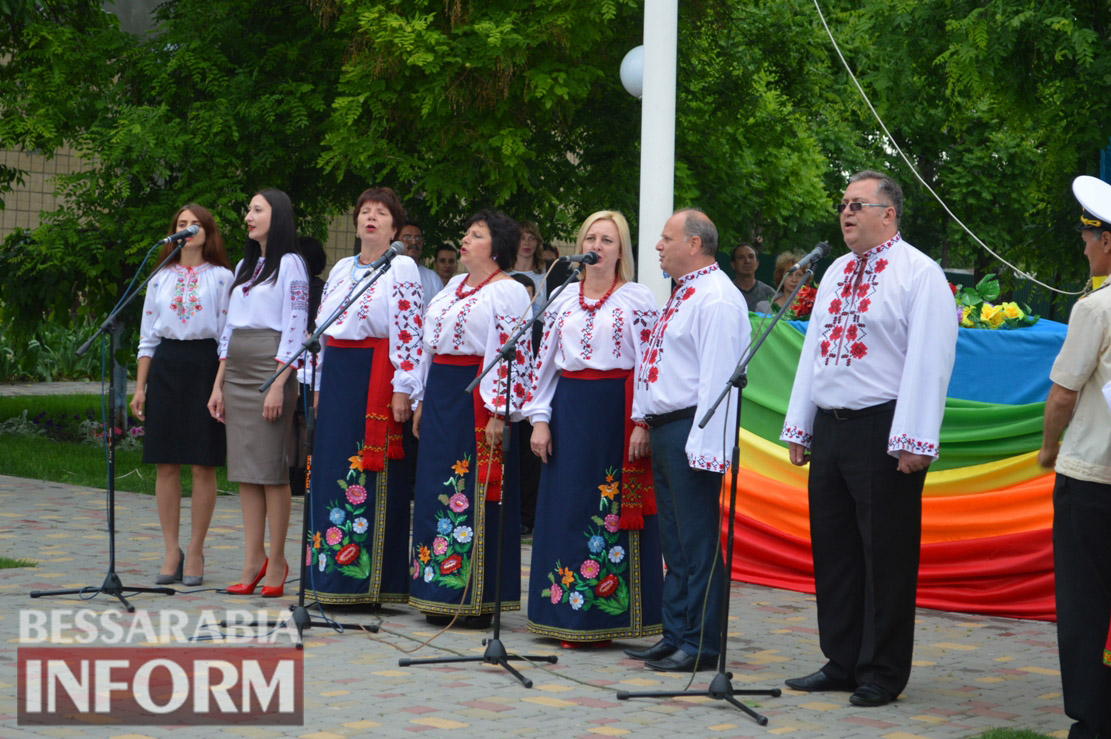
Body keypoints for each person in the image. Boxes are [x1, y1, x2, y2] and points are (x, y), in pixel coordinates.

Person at [780, 171, 957, 707]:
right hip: (831, 428)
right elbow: (813, 350)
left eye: (858, 204)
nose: (846, 213)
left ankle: (882, 671)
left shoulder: (918, 273)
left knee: (886, 553)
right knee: (834, 551)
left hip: (884, 430)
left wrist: (915, 438)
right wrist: (800, 422)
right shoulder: (834, 271)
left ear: (889, 214)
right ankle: (842, 660)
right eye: (842, 204)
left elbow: (930, 358)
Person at [525, 210, 663, 647]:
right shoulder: (563, 298)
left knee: (608, 508)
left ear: (621, 250)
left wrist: (642, 421)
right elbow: (543, 366)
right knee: (566, 508)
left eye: (607, 239)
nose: (597, 246)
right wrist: (540, 421)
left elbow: (648, 368)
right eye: (590, 238)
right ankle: (563, 612)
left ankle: (606, 617)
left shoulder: (638, 300)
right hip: (569, 409)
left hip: (615, 413)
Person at [623, 209, 749, 672]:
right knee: (674, 543)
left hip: (691, 429)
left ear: (694, 244)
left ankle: (701, 642)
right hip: (666, 427)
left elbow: (717, 379)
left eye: (666, 238)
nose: (658, 245)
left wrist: (706, 446)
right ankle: (675, 632)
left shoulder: (715, 298)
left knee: (697, 544)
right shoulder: (685, 293)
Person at [409, 209, 532, 627]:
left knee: (471, 488)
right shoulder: (451, 288)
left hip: (478, 396)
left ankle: (474, 594)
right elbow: (429, 347)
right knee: (433, 488)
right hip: (442, 393)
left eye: (475, 235)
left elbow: (510, 353)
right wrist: (422, 398)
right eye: (466, 233)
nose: (464, 240)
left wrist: (500, 411)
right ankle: (435, 588)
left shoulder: (508, 291)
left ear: (496, 248)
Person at [303, 187, 423, 606]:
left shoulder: (401, 267)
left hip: (375, 374)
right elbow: (322, 331)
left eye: (381, 212)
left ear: (394, 226)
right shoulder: (340, 269)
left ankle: (371, 584)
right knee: (331, 469)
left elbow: (409, 330)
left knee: (368, 472)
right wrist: (317, 386)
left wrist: (404, 387)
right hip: (336, 374)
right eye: (364, 211)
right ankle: (329, 576)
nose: (370, 217)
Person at [1037, 175, 1111, 739]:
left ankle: (1093, 716)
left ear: (1105, 241)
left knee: (1085, 603)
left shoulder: (1096, 308)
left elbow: (1063, 393)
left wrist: (1047, 448)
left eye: (1088, 236)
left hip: (1092, 476)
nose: (1084, 246)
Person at [208, 189, 310, 598]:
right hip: (238, 369)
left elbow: (296, 323)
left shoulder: (291, 264)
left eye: (257, 209)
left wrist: (280, 382)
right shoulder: (245, 266)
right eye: (248, 209)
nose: (248, 216)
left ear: (278, 215)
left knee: (270, 470)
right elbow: (228, 331)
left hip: (272, 367)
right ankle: (253, 559)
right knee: (245, 470)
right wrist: (219, 385)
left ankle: (279, 560)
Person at [130, 204, 233, 587]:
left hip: (206, 365)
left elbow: (228, 337)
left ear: (208, 230)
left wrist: (218, 385)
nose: (188, 229)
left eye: (195, 224)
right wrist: (141, 386)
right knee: (165, 462)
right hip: (167, 365)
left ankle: (196, 548)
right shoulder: (160, 277)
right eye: (181, 224)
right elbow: (147, 337)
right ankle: (171, 549)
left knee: (202, 463)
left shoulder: (223, 277)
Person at [290, 235, 327, 497]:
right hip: (290, 358)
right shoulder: (293, 284)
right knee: (293, 418)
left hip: (309, 358)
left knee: (303, 417)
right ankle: (292, 470)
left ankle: (301, 472)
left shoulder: (318, 288)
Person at [508, 272, 542, 536]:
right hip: (504, 404)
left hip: (532, 405)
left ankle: (526, 516)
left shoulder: (541, 328)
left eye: (529, 293)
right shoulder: (501, 325)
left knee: (530, 463)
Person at [400, 222, 445, 307]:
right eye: (407, 237)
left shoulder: (432, 278)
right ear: (396, 241)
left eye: (418, 238)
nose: (413, 242)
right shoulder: (386, 273)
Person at [508, 220, 547, 316]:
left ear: (537, 242)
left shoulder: (548, 273)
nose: (527, 243)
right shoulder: (502, 275)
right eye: (522, 238)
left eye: (532, 238)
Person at [731, 243, 775, 310]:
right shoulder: (727, 292)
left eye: (751, 257)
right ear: (733, 264)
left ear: (757, 263)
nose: (747, 261)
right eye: (741, 257)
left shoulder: (769, 293)